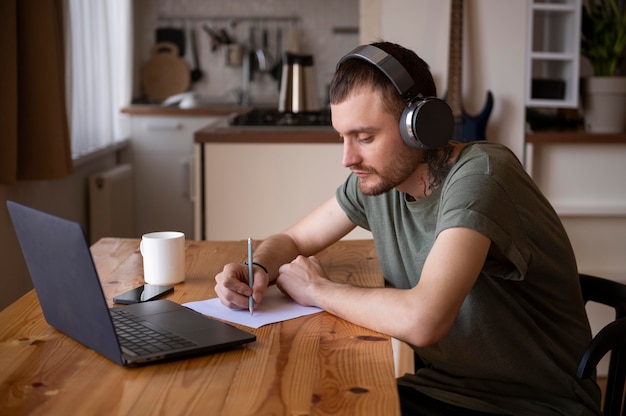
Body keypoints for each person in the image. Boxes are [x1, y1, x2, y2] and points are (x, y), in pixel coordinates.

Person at [215, 41, 602, 416]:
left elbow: (424, 319)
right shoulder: (377, 180)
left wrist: (319, 290)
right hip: (442, 390)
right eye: (342, 137)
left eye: (365, 137)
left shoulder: (483, 175)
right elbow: (295, 239)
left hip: (534, 404)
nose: (348, 158)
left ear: (421, 126)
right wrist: (257, 269)